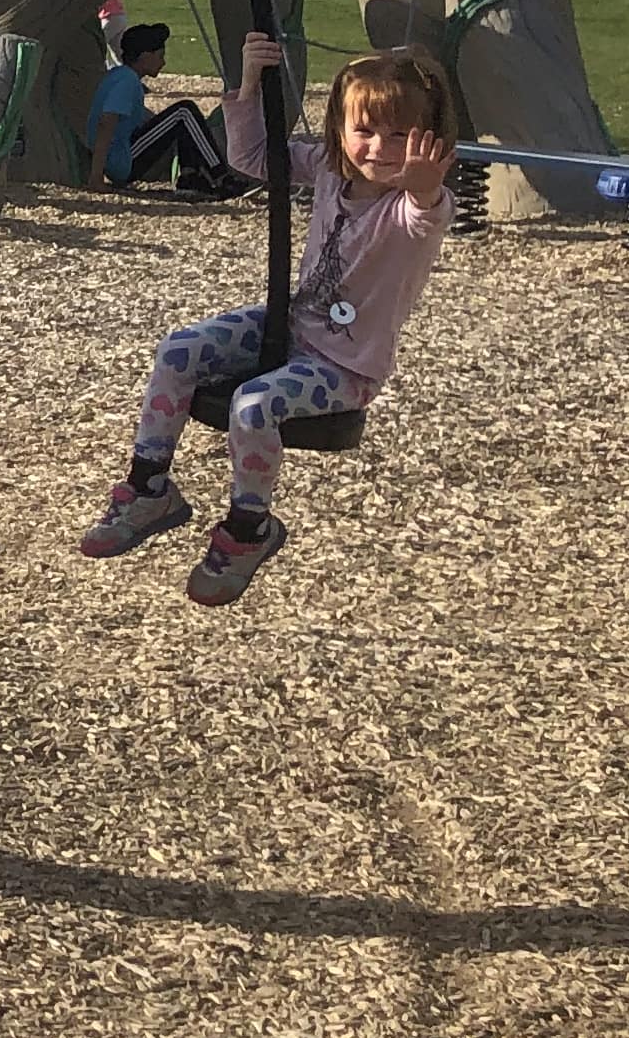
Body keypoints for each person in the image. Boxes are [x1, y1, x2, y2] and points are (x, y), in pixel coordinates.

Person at [81, 33, 456, 607]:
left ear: (428, 140)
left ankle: (248, 529)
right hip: (292, 323)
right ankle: (148, 487)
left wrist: (426, 186)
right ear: (339, 130)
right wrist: (252, 83)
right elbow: (252, 158)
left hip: (345, 364)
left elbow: (426, 213)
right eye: (364, 130)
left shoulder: (410, 209)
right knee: (178, 351)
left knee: (253, 405)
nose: (380, 147)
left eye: (400, 135)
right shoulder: (329, 168)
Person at [89, 21, 237, 194]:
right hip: (122, 162)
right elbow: (106, 122)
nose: (163, 62)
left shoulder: (119, 75)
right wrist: (96, 177)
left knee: (180, 120)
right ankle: (221, 176)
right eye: (160, 56)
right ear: (145, 57)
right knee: (184, 111)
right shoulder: (126, 80)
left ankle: (190, 176)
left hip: (118, 159)